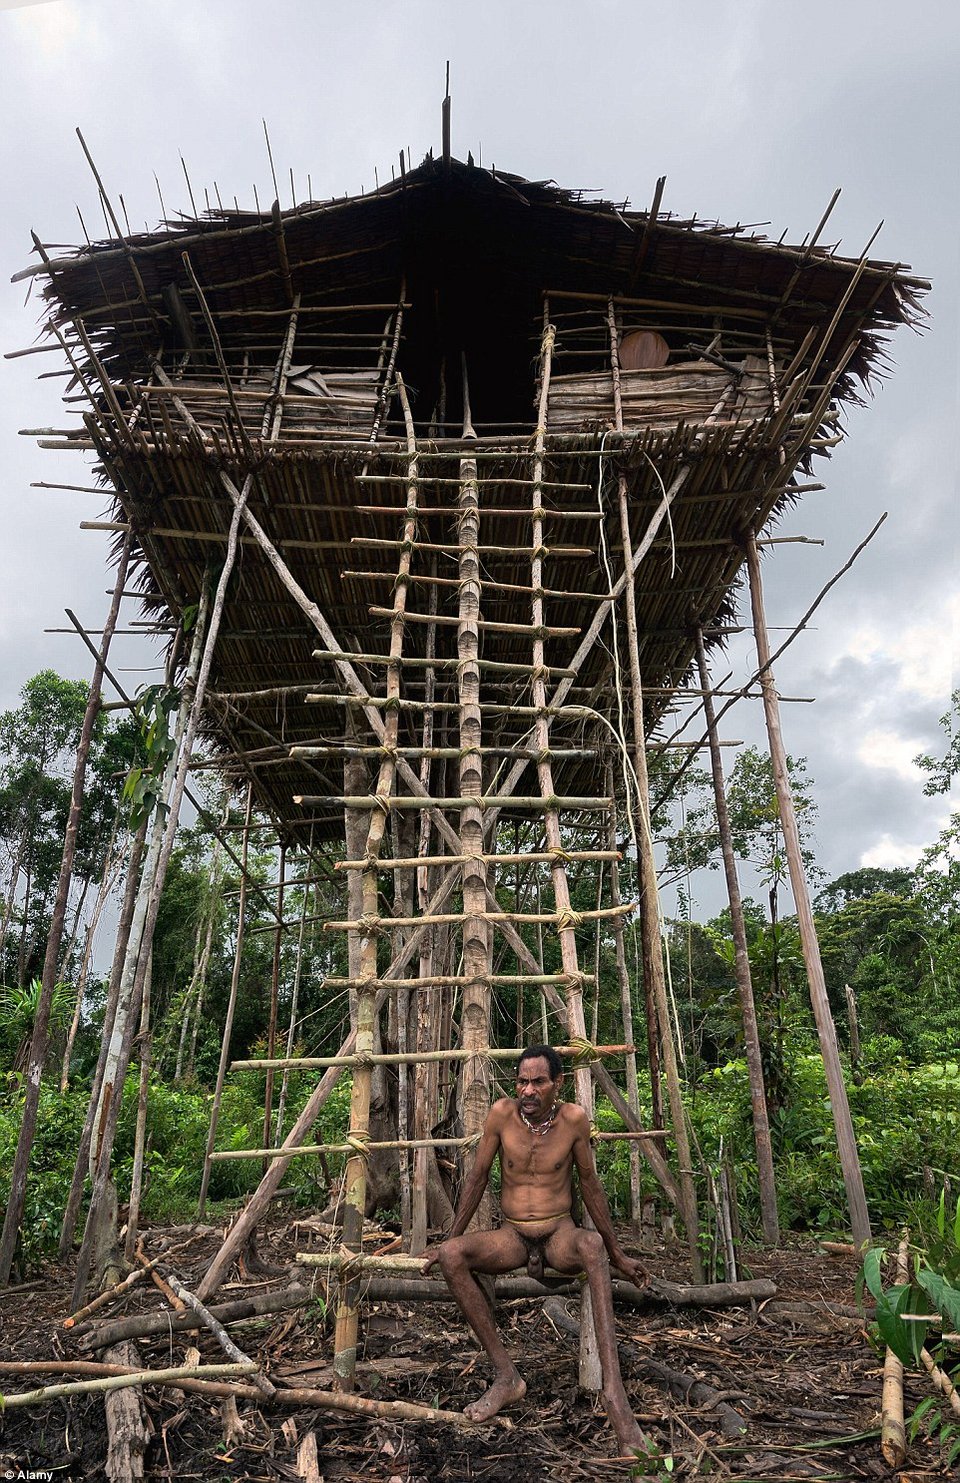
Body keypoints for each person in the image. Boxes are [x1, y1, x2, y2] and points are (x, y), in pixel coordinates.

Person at [423, 1044, 648, 1455]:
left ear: (556, 1084)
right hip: (512, 1235)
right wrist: (448, 1239)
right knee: (453, 1256)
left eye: (538, 1082)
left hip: (559, 1235)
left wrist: (618, 1255)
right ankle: (507, 1376)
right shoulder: (501, 1115)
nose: (528, 1090)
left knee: (592, 1245)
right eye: (522, 1081)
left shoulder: (574, 1121)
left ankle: (616, 1397)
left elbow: (591, 1186)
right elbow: (475, 1179)